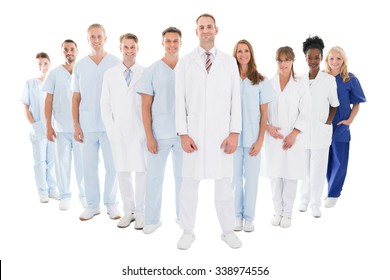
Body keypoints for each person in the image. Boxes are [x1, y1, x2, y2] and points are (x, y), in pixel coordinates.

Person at [175, 13, 242, 249]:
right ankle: (187, 231)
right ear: (196, 32)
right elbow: (179, 100)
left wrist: (235, 132)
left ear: (216, 30)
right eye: (201, 27)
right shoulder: (185, 63)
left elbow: (237, 100)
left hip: (222, 134)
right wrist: (182, 133)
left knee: (224, 186)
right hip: (193, 134)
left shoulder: (229, 62)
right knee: (189, 186)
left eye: (209, 26)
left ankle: (227, 231)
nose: (205, 30)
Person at [72, 23, 121, 221]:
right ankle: (92, 205)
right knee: (88, 166)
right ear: (88, 39)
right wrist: (76, 125)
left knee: (112, 165)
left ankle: (111, 204)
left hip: (110, 125)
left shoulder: (115, 62)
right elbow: (75, 97)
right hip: (87, 125)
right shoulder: (81, 66)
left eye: (99, 36)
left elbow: (122, 97)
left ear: (105, 38)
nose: (96, 40)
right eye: (92, 36)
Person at [137, 27, 183, 234]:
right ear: (162, 43)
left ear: (181, 43)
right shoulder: (152, 70)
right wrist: (149, 136)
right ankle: (153, 219)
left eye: (175, 41)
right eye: (168, 41)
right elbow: (145, 106)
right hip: (159, 135)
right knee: (154, 178)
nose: (172, 44)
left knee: (184, 179)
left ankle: (184, 218)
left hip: (184, 135)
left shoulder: (188, 68)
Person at [101, 33, 146, 230]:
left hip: (140, 131)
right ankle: (129, 211)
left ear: (138, 48)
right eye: (126, 47)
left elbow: (149, 105)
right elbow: (105, 105)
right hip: (118, 132)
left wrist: (146, 131)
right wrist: (111, 130)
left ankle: (142, 212)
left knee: (142, 171)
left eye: (132, 47)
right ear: (120, 49)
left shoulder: (145, 72)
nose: (129, 51)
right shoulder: (110, 74)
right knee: (123, 171)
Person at [263, 46, 310, 228]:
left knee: (290, 175)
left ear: (292, 61)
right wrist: (267, 127)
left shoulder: (300, 84)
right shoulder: (268, 83)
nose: (283, 64)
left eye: (286, 60)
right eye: (279, 60)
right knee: (275, 175)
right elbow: (261, 110)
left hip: (293, 137)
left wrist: (294, 133)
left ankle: (288, 213)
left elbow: (306, 112)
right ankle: (277, 211)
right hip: (273, 137)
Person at [232, 39, 275, 232]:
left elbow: (264, 114)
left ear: (251, 54)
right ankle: (235, 216)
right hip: (232, 140)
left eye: (246, 51)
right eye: (239, 51)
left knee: (251, 180)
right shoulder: (229, 79)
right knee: (233, 180)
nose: (243, 54)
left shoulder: (260, 80)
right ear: (235, 54)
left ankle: (249, 218)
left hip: (252, 140)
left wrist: (260, 140)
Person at [298, 36, 339, 218]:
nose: (313, 61)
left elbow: (335, 105)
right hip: (303, 132)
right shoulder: (299, 80)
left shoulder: (329, 80)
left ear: (321, 58)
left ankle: (315, 204)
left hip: (321, 132)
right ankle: (304, 201)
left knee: (318, 169)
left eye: (316, 57)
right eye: (309, 57)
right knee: (303, 168)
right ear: (305, 58)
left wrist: (327, 123)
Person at [43, 40, 86, 210]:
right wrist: (48, 125)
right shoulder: (54, 73)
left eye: (72, 49)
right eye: (66, 50)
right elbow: (48, 101)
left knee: (82, 163)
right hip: (60, 127)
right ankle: (65, 196)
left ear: (77, 51)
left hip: (81, 127)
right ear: (62, 52)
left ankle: (84, 196)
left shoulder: (82, 70)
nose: (69, 52)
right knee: (62, 163)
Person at [324, 46, 366, 208]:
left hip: (340, 124)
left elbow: (357, 102)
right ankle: (329, 190)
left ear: (344, 60)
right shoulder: (322, 78)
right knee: (325, 159)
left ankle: (334, 194)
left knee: (340, 160)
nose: (335, 62)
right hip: (324, 124)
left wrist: (349, 120)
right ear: (327, 60)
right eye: (331, 58)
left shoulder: (350, 79)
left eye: (338, 58)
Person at [22, 52, 59, 203]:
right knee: (40, 162)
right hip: (38, 129)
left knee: (51, 161)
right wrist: (34, 125)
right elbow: (26, 106)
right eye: (40, 64)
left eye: (45, 63)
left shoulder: (54, 82)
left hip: (53, 128)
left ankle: (52, 189)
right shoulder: (30, 83)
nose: (42, 66)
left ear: (50, 64)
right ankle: (42, 192)